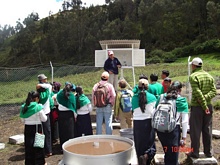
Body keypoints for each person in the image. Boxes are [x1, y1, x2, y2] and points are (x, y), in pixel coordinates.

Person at [187, 57, 216, 158]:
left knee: (195, 131)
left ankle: (195, 152)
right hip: (208, 105)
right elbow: (214, 91)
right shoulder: (209, 76)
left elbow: (197, 92)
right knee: (207, 130)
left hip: (198, 107)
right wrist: (206, 98)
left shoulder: (193, 76)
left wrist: (203, 105)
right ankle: (208, 152)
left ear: (194, 66)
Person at [155, 81, 189, 165]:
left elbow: (154, 111)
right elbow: (184, 121)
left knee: (167, 151)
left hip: (161, 129)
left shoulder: (161, 97)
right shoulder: (181, 100)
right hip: (173, 130)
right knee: (174, 154)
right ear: (180, 90)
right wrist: (184, 138)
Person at [132, 79, 157, 165]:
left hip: (137, 123)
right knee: (150, 143)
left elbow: (133, 110)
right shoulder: (153, 97)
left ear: (138, 87)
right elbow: (154, 111)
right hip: (148, 122)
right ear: (147, 87)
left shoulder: (134, 98)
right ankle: (147, 156)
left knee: (139, 143)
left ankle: (140, 158)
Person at [20, 91, 47, 165]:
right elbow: (44, 119)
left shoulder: (24, 107)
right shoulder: (38, 107)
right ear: (37, 98)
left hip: (28, 128)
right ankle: (40, 162)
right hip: (37, 128)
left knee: (29, 146)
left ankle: (29, 163)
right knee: (38, 146)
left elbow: (22, 120)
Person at [56, 82, 76, 151]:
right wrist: (75, 116)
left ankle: (62, 147)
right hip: (69, 115)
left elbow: (57, 102)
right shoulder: (72, 96)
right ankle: (70, 147)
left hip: (61, 114)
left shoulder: (59, 94)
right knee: (70, 132)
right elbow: (74, 107)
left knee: (62, 131)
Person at [36, 74, 53, 157]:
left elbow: (38, 86)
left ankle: (40, 150)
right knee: (47, 132)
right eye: (45, 79)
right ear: (42, 81)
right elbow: (49, 86)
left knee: (39, 132)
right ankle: (48, 150)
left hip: (38, 114)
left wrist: (39, 85)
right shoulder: (48, 90)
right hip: (46, 113)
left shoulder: (37, 94)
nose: (46, 80)